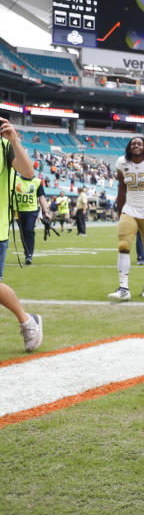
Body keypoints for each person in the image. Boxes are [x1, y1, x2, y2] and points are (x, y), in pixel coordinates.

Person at [0, 118, 43, 351]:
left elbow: (27, 172)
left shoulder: (4, 146)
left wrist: (14, 140)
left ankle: (28, 321)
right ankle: (28, 321)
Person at [109, 136, 144, 301]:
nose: (136, 145)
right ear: (129, 146)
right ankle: (123, 288)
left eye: (139, 143)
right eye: (133, 143)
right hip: (130, 210)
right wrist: (121, 215)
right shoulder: (122, 163)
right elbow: (121, 191)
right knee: (123, 245)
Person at [14, 169, 49, 264]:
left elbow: (41, 197)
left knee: (29, 231)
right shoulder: (15, 179)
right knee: (23, 233)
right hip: (18, 211)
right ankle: (27, 252)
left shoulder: (37, 182)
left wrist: (46, 211)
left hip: (31, 211)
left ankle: (29, 255)